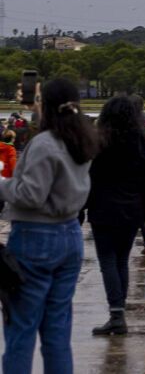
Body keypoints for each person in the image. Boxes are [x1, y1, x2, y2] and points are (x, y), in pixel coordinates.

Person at [2, 77, 97, 373]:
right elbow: (53, 136)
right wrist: (35, 106)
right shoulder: (81, 137)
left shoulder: (44, 144)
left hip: (35, 237)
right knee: (57, 331)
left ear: (49, 105)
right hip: (69, 234)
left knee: (22, 328)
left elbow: (30, 195)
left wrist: (2, 185)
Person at [84, 96, 145, 339]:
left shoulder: (99, 142)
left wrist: (81, 208)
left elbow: (89, 178)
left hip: (103, 208)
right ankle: (119, 311)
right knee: (121, 260)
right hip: (132, 210)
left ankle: (116, 314)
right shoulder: (142, 143)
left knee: (107, 260)